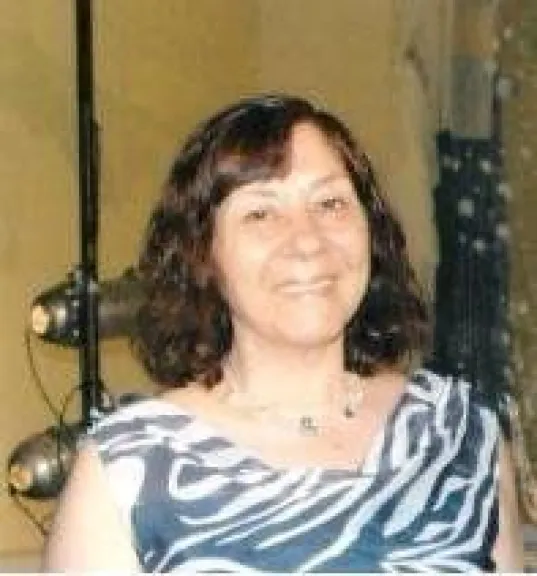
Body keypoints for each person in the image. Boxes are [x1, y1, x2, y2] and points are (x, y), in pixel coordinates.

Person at [42, 94, 523, 572]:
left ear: (370, 230)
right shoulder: (131, 469)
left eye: (330, 203)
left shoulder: (462, 440)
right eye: (261, 213)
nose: (307, 239)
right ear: (202, 254)